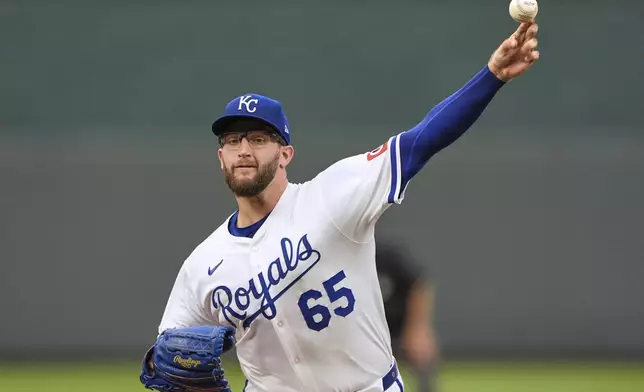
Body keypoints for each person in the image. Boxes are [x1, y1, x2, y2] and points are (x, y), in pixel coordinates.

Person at [143, 22, 540, 392]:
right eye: (232, 141)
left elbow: (422, 140)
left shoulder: (331, 197)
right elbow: (166, 355)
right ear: (221, 157)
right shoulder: (203, 265)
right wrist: (164, 366)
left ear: (285, 154)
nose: (244, 150)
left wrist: (492, 76)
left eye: (259, 139)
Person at [375, 238, 438, 392]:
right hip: (367, 335)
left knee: (423, 353)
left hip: (398, 331)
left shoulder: (385, 254)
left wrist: (418, 329)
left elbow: (420, 285)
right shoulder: (342, 257)